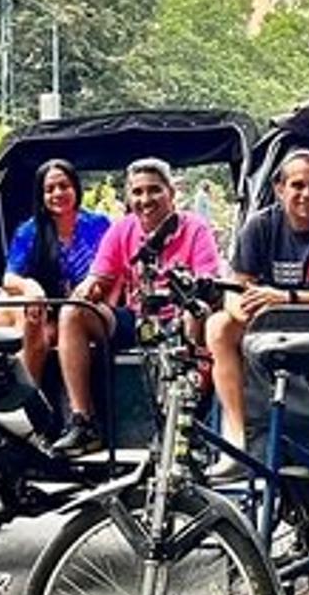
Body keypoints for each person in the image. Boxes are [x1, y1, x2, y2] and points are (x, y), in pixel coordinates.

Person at [205, 149, 309, 478]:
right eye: (297, 185)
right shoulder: (260, 225)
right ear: (280, 189)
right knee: (218, 326)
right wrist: (246, 312)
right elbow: (236, 292)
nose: (306, 194)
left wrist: (285, 297)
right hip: (269, 324)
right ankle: (238, 438)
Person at [49, 158, 222, 455]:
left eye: (154, 191)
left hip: (181, 318)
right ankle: (83, 422)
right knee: (72, 312)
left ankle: (184, 423)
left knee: (196, 314)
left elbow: (208, 282)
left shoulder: (195, 228)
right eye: (138, 192)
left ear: (171, 193)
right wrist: (88, 288)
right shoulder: (122, 229)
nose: (145, 200)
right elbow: (99, 275)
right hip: (139, 318)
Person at [0, 160, 112, 386]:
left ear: (75, 188)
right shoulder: (30, 230)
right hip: (39, 310)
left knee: (53, 328)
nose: (58, 193)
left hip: (84, 310)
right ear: (41, 196)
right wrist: (30, 287)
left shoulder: (99, 225)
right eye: (49, 189)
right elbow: (9, 278)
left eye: (64, 186)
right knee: (34, 323)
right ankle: (27, 401)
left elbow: (115, 268)